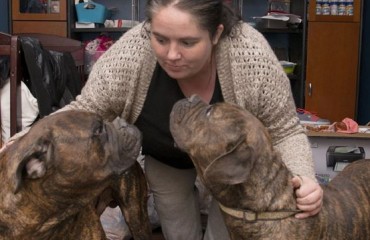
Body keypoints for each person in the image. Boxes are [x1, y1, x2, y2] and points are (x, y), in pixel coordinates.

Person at [5, 0, 323, 239]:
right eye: (160, 38)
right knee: (180, 233)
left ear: (216, 34)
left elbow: (284, 130)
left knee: (225, 232)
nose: (171, 54)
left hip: (233, 169)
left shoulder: (250, 57)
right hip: (166, 159)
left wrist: (305, 177)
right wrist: (22, 145)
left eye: (187, 42)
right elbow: (86, 109)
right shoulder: (131, 55)